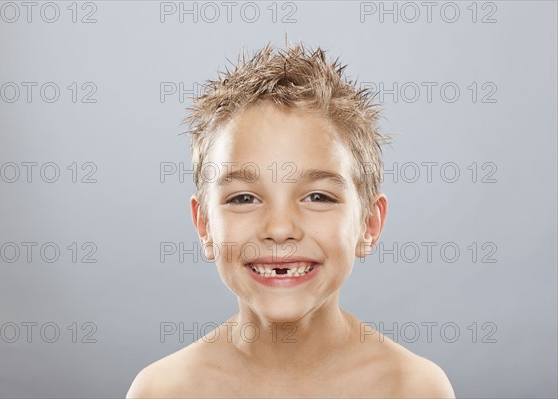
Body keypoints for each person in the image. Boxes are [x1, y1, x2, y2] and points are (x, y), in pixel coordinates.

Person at [127, 42, 455, 398]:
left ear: (369, 225)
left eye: (318, 197)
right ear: (204, 225)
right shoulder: (162, 390)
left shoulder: (412, 387)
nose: (280, 229)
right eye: (243, 198)